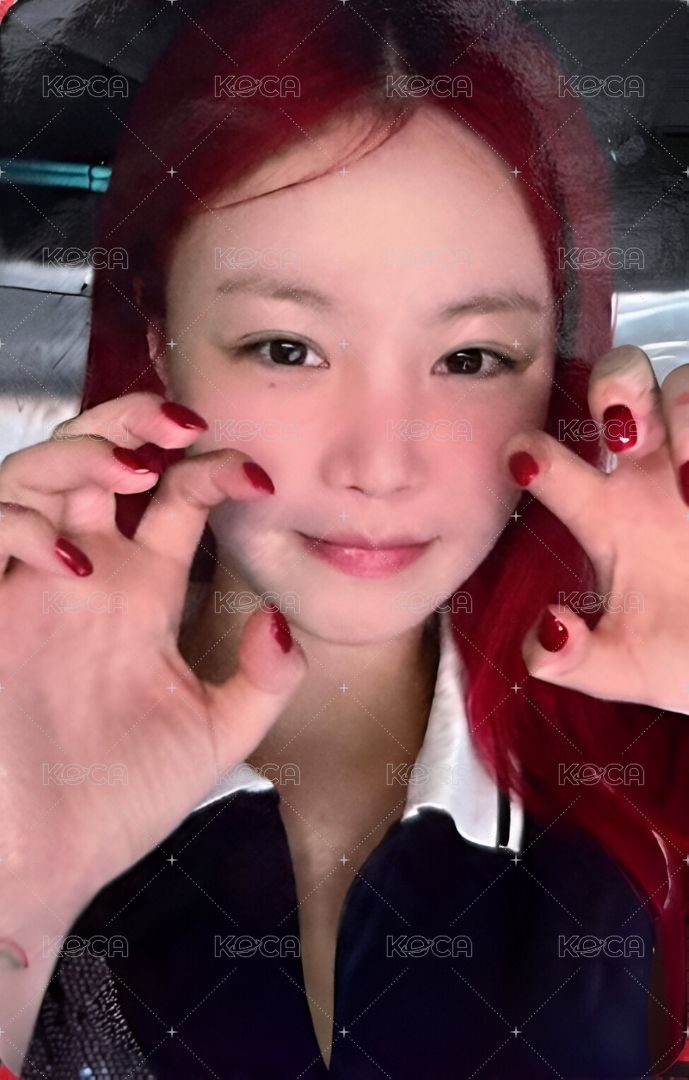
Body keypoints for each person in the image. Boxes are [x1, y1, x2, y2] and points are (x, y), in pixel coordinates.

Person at [1, 0, 688, 1076]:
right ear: (160, 337)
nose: (380, 464)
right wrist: (20, 884)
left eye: (468, 359)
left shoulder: (650, 763)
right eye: (287, 347)